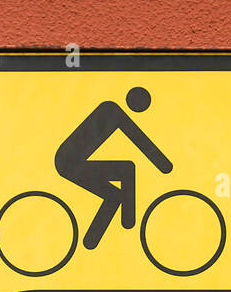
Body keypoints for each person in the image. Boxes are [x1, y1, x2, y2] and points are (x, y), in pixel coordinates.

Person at [54, 87, 172, 250]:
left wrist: (164, 165)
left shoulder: (111, 110)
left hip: (69, 161)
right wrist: (164, 166)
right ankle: (99, 238)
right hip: (69, 163)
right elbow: (138, 138)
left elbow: (138, 138)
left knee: (126, 172)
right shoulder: (111, 111)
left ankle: (124, 225)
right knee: (120, 184)